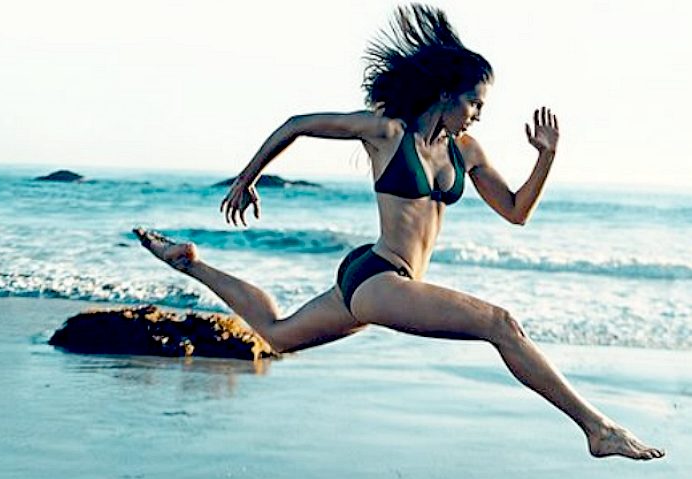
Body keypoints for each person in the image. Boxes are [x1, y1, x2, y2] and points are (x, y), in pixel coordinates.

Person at [133, 4, 664, 460]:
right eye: (474, 102)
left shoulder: (467, 152)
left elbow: (517, 211)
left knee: (275, 332)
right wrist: (247, 179)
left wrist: (546, 159)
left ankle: (190, 262)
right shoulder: (386, 132)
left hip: (378, 279)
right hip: (380, 276)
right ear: (446, 94)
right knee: (502, 324)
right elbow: (298, 123)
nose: (478, 114)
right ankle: (599, 429)